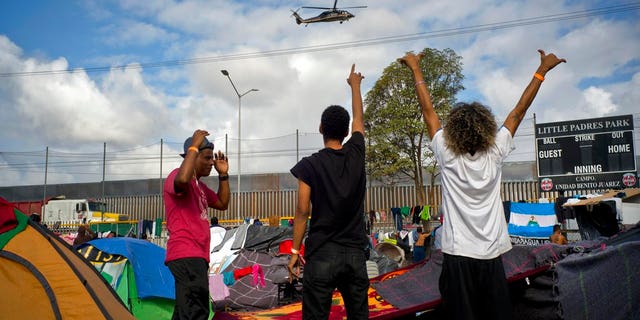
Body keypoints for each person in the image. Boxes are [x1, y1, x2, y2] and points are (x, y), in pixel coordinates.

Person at [400, 49, 566, 320]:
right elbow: (518, 112)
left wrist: (416, 68)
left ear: (454, 130)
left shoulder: (446, 153)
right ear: (486, 128)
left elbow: (428, 111)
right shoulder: (495, 152)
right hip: (490, 259)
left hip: (456, 258)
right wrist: (541, 72)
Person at [287, 64, 369, 319]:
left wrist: (294, 252)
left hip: (321, 254)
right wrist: (355, 85)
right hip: (355, 255)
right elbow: (359, 119)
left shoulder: (309, 165)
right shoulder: (356, 153)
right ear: (346, 132)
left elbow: (302, 211)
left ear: (321, 128)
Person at [164, 130, 230, 320]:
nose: (212, 163)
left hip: (197, 256)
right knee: (195, 312)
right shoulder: (176, 176)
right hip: (186, 254)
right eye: (207, 158)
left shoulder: (201, 187)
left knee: (187, 311)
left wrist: (223, 175)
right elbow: (182, 180)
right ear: (192, 157)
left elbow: (222, 204)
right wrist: (194, 145)